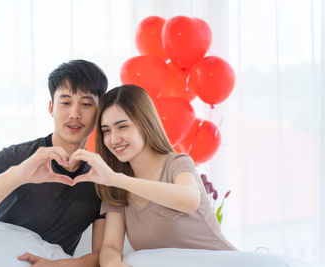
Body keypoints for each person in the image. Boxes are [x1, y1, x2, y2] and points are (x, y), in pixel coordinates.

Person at [0, 59, 108, 267]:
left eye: (87, 104)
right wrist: (20, 174)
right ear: (51, 108)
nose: (75, 114)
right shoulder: (18, 156)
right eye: (65, 102)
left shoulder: (100, 177)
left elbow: (103, 254)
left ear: (99, 112)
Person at [68, 84, 236, 267]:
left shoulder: (177, 163)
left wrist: (116, 179)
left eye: (122, 127)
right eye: (106, 131)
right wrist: (113, 264)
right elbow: (110, 246)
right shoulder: (117, 186)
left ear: (145, 124)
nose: (114, 139)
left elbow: (189, 200)